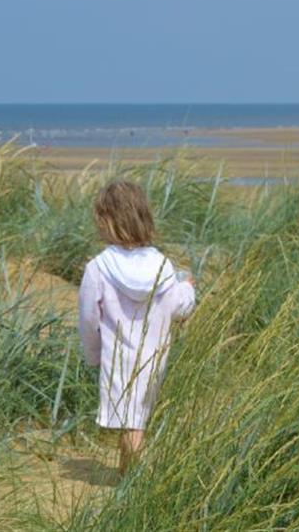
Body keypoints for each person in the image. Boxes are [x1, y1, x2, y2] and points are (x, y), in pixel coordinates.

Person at [78, 180, 196, 474]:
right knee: (136, 419)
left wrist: (92, 354)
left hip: (119, 357)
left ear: (105, 221)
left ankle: (137, 482)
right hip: (156, 354)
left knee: (131, 423)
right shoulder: (162, 265)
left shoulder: (98, 268)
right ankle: (126, 475)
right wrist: (189, 289)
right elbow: (179, 308)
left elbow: (88, 318)